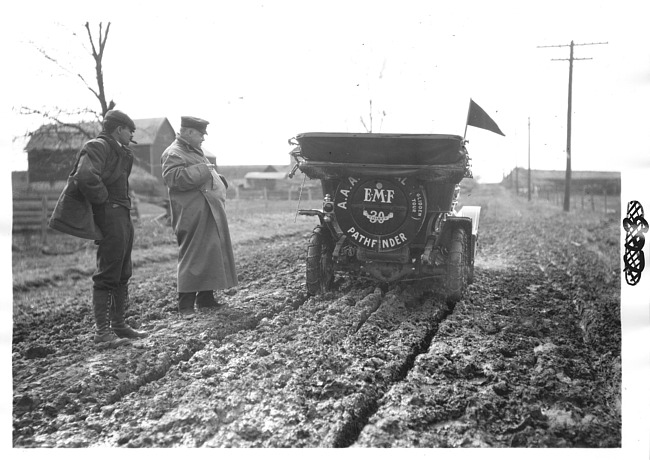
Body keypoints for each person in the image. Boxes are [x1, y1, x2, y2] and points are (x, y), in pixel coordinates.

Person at [75, 109, 148, 347]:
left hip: (122, 214)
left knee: (122, 270)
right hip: (111, 213)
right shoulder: (98, 146)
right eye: (130, 131)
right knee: (107, 272)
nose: (132, 135)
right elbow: (85, 176)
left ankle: (118, 325)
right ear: (119, 129)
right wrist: (104, 200)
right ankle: (102, 332)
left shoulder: (118, 150)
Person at [161, 116, 238, 318]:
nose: (203, 138)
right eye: (201, 133)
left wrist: (217, 179)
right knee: (192, 254)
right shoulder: (173, 153)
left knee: (210, 251)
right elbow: (175, 179)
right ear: (188, 132)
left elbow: (201, 174)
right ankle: (185, 305)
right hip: (191, 212)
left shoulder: (193, 150)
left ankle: (205, 298)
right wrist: (205, 170)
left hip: (207, 208)